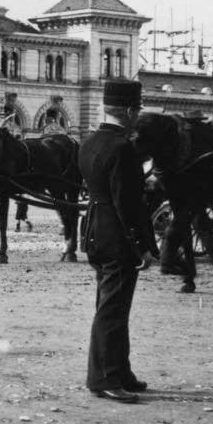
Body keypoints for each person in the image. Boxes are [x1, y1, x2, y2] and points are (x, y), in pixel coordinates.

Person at [78, 77, 158, 404]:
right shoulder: (123, 148)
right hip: (118, 236)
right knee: (113, 310)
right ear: (126, 110)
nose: (137, 114)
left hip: (94, 230)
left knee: (112, 305)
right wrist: (144, 246)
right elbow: (129, 204)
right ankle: (104, 378)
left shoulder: (88, 142)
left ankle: (120, 370)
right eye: (136, 109)